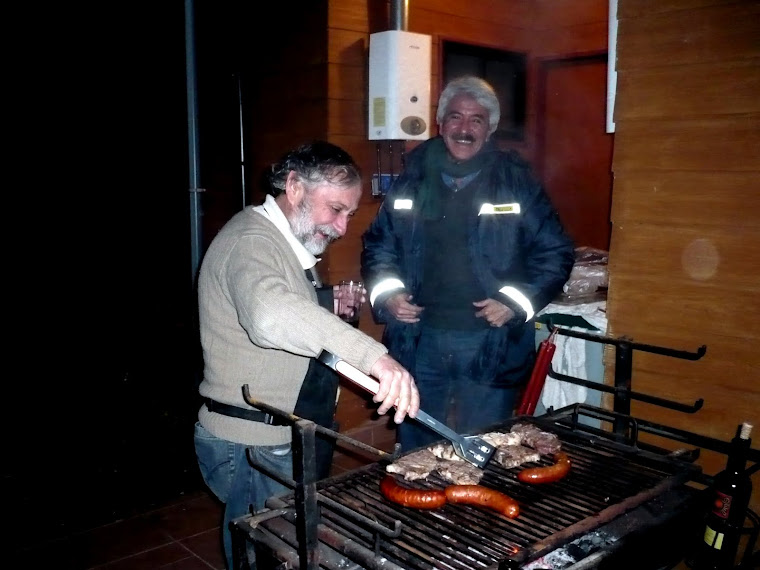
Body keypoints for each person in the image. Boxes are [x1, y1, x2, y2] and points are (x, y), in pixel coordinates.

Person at [194, 140, 420, 569]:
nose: (342, 227)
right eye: (335, 209)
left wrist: (322, 301)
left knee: (277, 548)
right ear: (294, 187)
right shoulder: (251, 241)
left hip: (274, 433)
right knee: (264, 556)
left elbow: (277, 302)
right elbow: (268, 311)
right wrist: (375, 358)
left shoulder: (283, 241)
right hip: (252, 442)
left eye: (349, 214)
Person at [361, 76, 574, 452]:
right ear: (441, 124)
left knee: (483, 446)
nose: (464, 128)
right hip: (419, 341)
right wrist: (390, 294)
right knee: (417, 447)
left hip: (489, 344)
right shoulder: (413, 178)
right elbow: (380, 244)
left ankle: (474, 511)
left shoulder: (515, 181)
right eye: (456, 118)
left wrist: (514, 303)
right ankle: (420, 508)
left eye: (476, 120)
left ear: (489, 129)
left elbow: (554, 253)